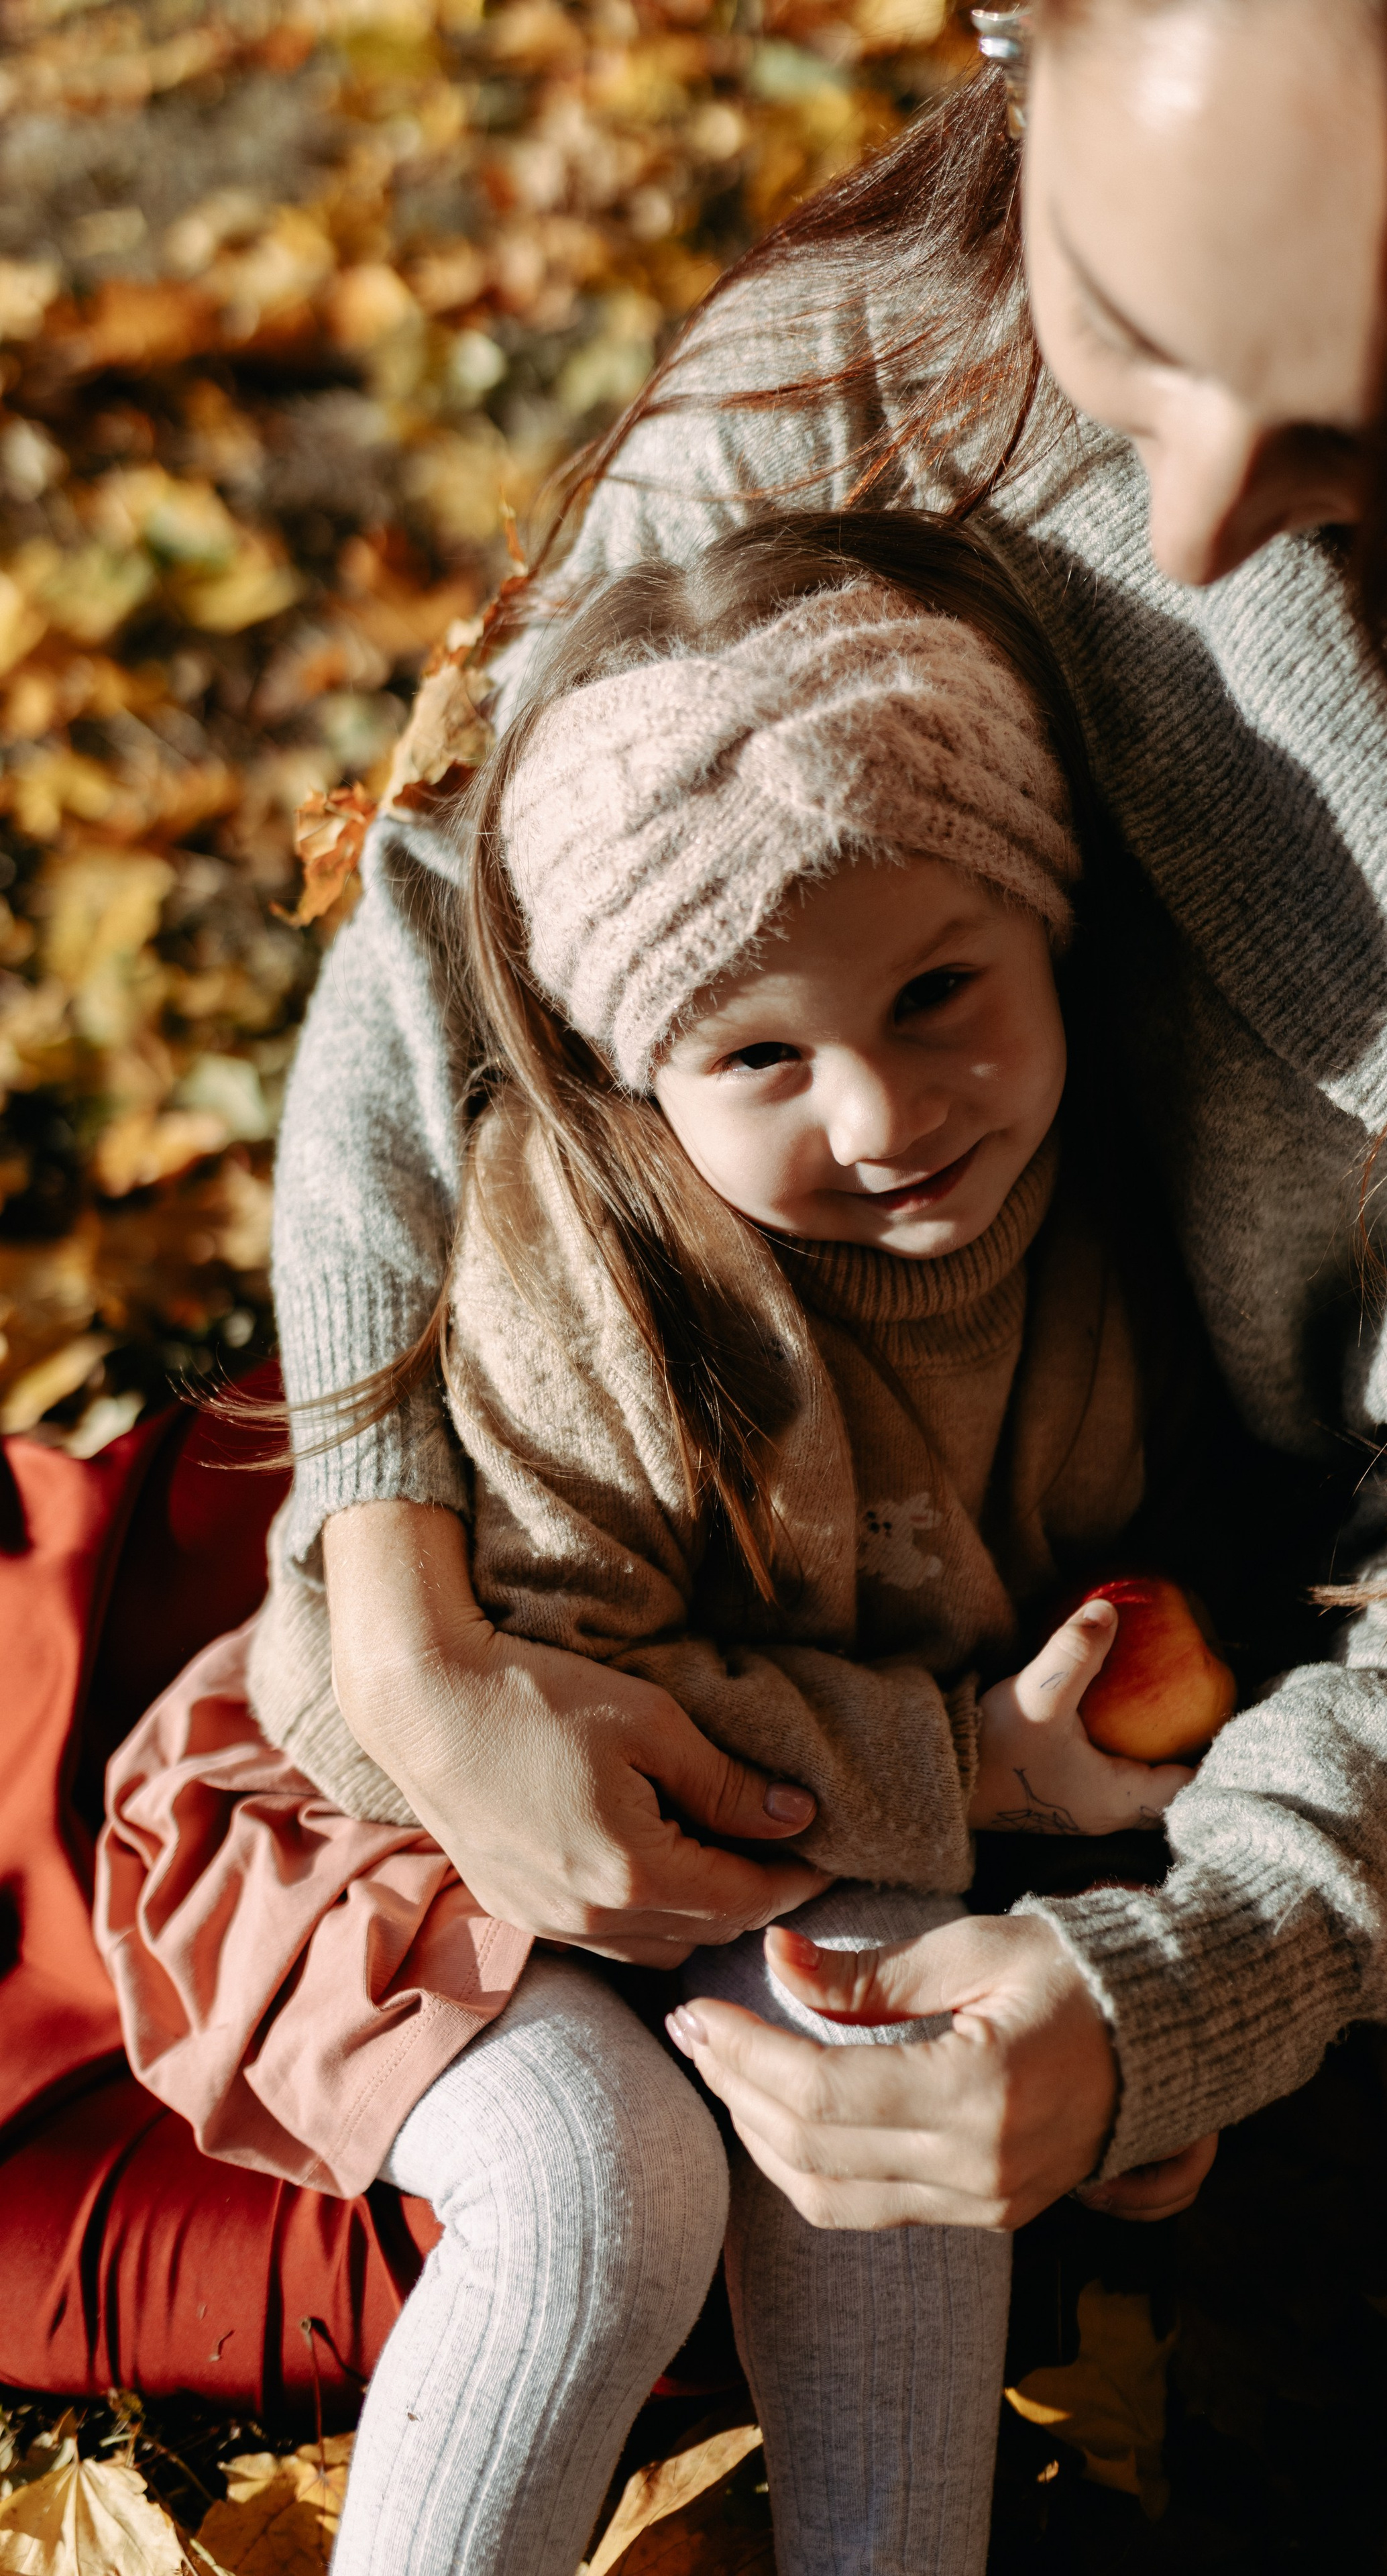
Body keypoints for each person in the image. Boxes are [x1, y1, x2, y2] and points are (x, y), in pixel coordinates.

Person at [264, 0, 1387, 2252]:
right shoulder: (889, 358)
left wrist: (1199, 1975)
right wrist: (405, 1628)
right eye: (1127, 327)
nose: (1194, 525)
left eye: (1365, 440)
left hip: (1292, 1696)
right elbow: (450, 906)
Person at [97, 511, 1225, 2576]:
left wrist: (1150, 1989)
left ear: (1047, 928)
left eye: (940, 991)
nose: (882, 1114)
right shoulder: (588, 1284)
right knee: (602, 2191)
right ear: (639, 1072)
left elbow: (1076, 1662)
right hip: (403, 1827)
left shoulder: (1109, 1254)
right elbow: (557, 1715)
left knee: (896, 2086)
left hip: (808, 1833)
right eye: (762, 1055)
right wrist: (969, 1767)